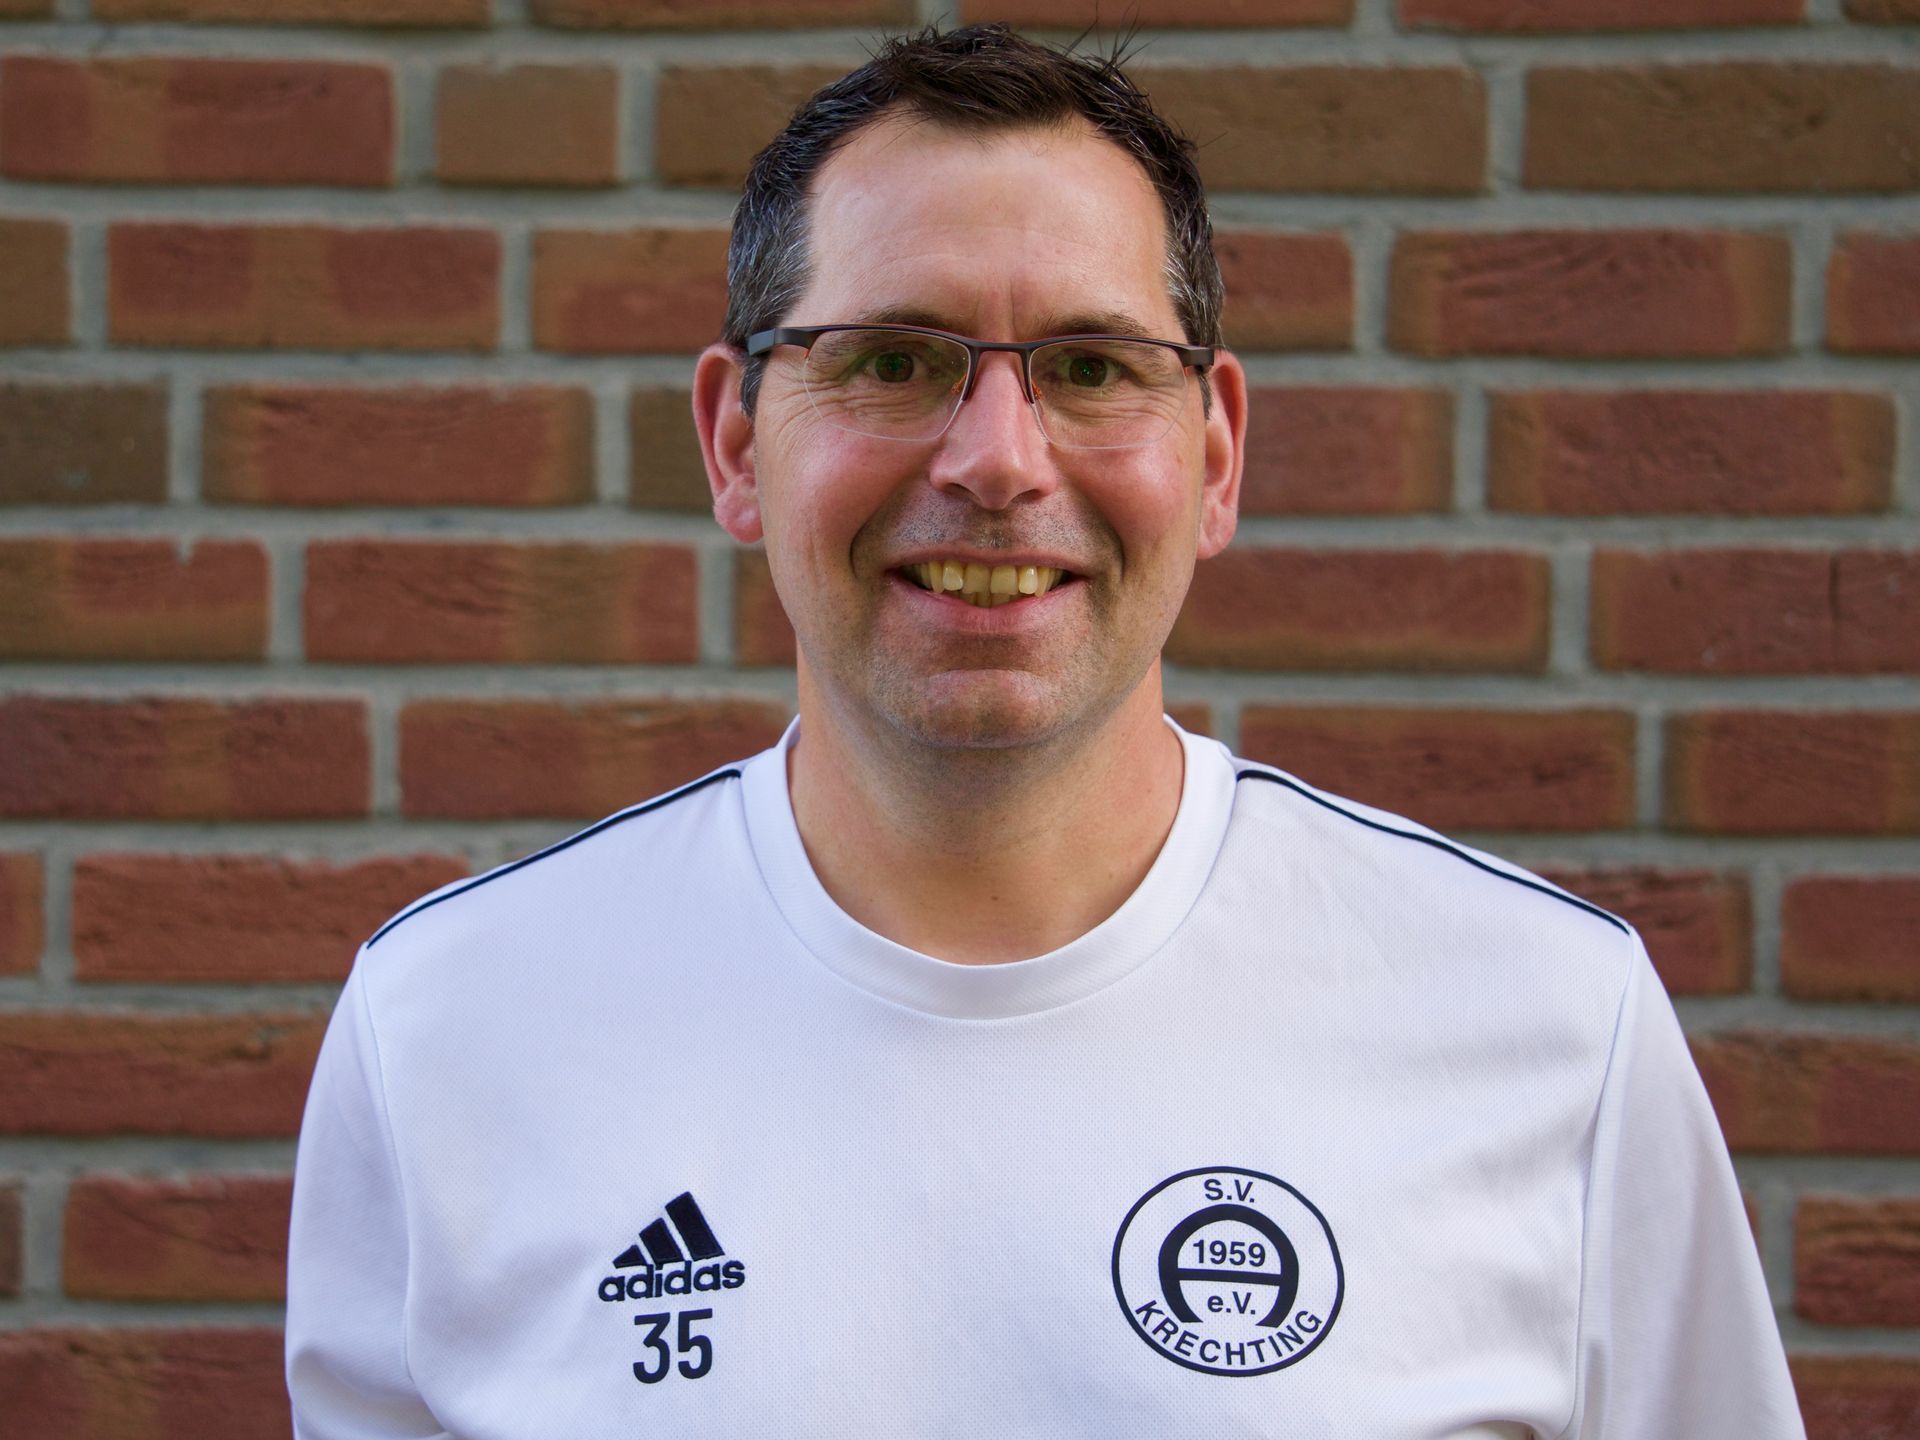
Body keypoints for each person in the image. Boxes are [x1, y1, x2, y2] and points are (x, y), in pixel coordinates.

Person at [286, 24, 1805, 1439]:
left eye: (1089, 368)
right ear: (736, 443)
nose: (999, 462)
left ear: (1216, 455)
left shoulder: (1549, 1023)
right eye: (893, 359)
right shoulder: (453, 1033)